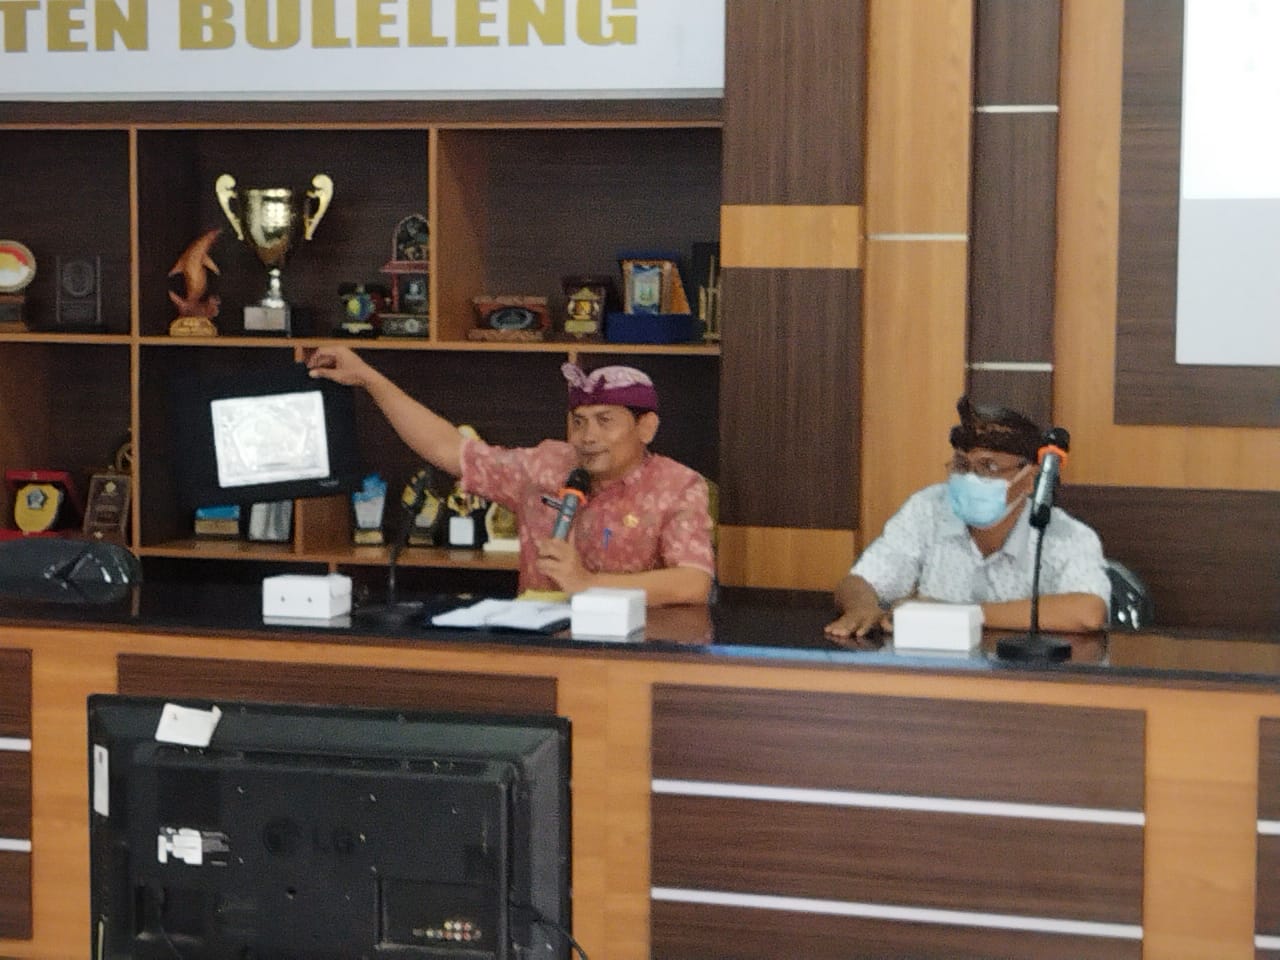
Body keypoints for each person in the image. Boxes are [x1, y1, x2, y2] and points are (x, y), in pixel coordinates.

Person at [306, 346, 715, 606]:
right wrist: (369, 379)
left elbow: (693, 582)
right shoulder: (546, 465)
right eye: (579, 421)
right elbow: (447, 448)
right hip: (537, 643)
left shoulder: (678, 486)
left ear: (646, 428)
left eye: (604, 421)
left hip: (628, 651)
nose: (587, 437)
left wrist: (588, 583)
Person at [825, 396, 1110, 641]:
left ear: (1030, 479)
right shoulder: (928, 509)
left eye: (989, 466)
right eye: (962, 465)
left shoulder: (1065, 534)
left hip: (1022, 677)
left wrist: (958, 614)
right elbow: (859, 581)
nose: (971, 478)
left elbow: (1088, 612)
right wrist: (862, 607)